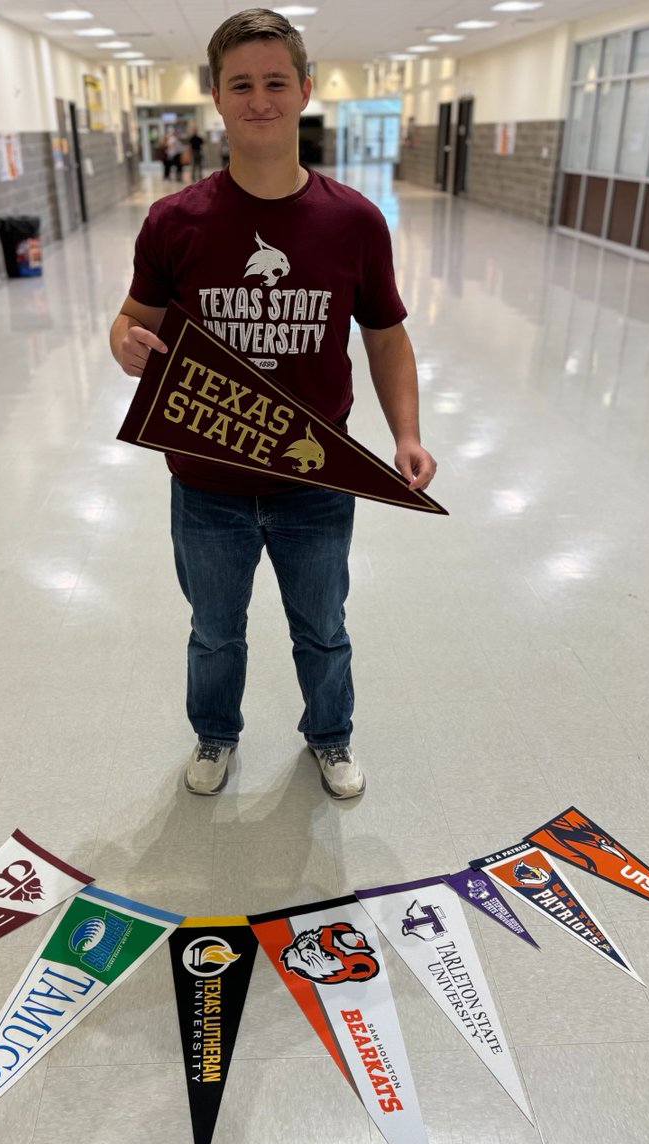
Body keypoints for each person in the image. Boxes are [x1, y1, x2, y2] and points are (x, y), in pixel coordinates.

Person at [109, 8, 436, 799]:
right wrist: (123, 343)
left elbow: (386, 336)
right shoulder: (174, 221)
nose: (260, 99)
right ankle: (215, 736)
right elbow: (132, 323)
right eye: (242, 84)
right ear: (216, 97)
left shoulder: (354, 220)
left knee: (323, 630)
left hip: (315, 479)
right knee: (215, 633)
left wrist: (407, 435)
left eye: (275, 82)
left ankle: (330, 737)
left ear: (305, 93)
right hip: (206, 482)